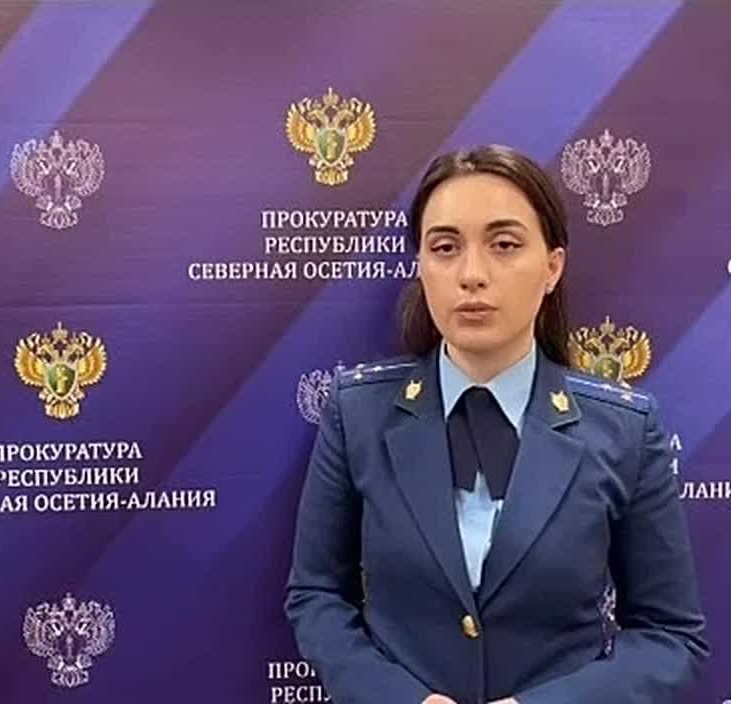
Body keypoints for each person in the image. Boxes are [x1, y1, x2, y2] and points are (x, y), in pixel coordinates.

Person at [284, 144, 709, 703]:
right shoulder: (357, 413)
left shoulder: (625, 431)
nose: (472, 275)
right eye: (445, 248)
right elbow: (316, 596)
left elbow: (669, 635)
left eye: (504, 245)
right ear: (420, 266)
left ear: (552, 267)